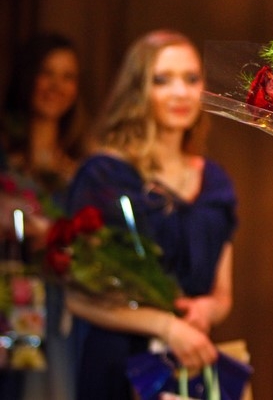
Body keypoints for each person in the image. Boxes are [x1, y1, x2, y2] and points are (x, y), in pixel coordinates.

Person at [64, 30, 238, 400]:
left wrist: (207, 311)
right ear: (137, 89)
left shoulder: (216, 181)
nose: (180, 92)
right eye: (162, 80)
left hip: (187, 363)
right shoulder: (104, 175)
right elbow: (77, 296)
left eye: (191, 79)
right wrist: (166, 327)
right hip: (117, 364)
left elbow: (222, 295)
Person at [0, 33, 90, 400]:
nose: (56, 86)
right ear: (27, 77)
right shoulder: (5, 156)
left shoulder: (82, 168)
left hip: (59, 309)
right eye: (46, 73)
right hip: (8, 294)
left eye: (68, 76)